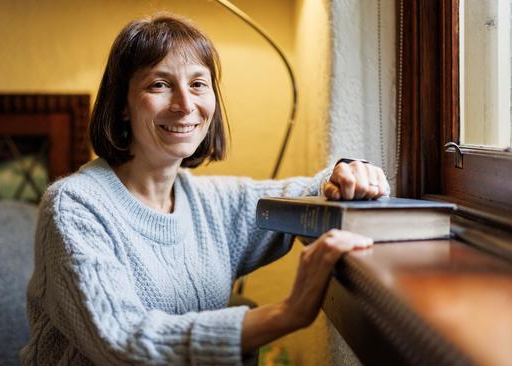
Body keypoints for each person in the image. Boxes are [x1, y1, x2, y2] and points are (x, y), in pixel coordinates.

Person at [20, 13, 389, 366]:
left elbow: (307, 192)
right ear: (122, 106)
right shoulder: (73, 206)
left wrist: (349, 173)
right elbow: (123, 342)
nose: (185, 105)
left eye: (198, 84)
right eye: (159, 84)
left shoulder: (212, 202)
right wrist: (287, 313)